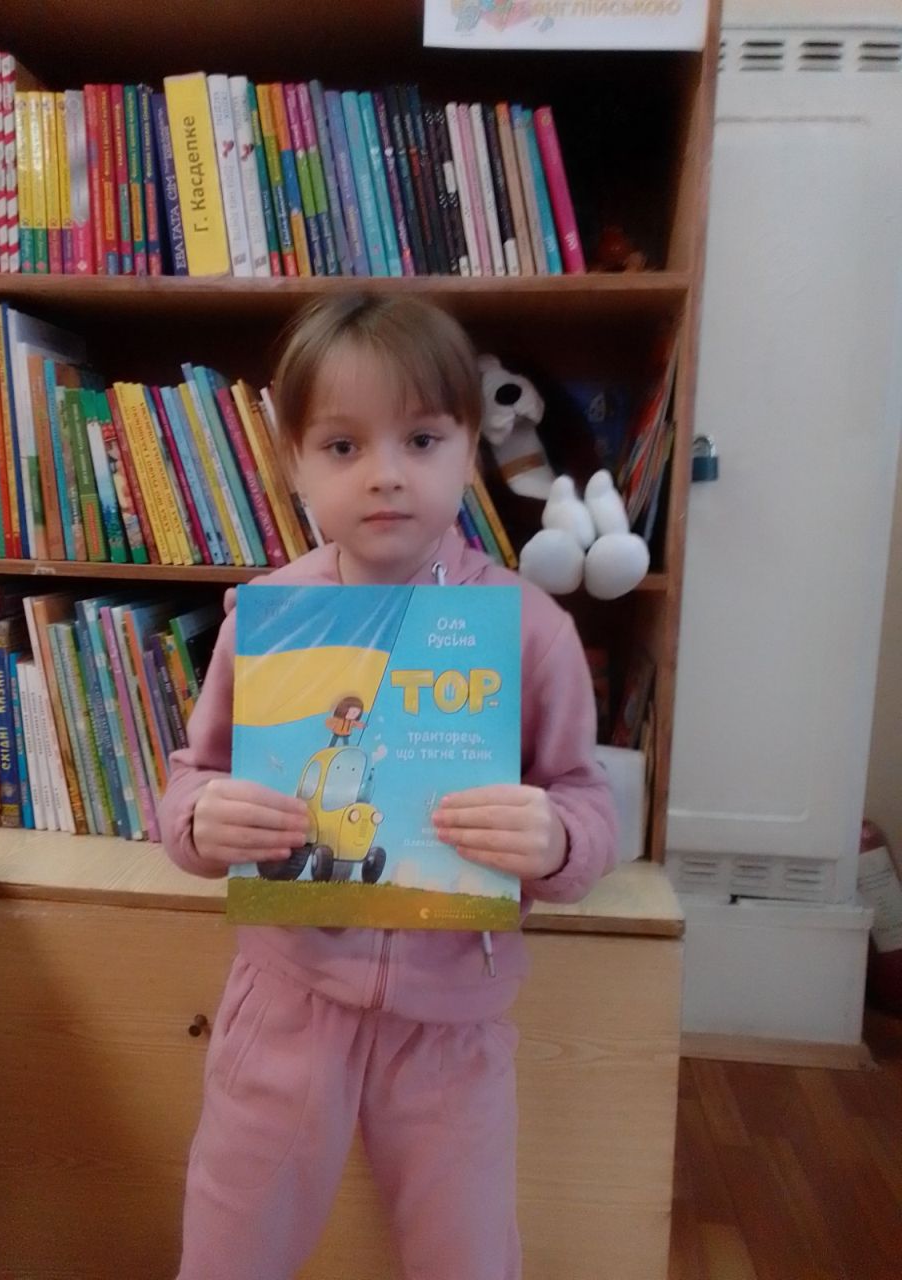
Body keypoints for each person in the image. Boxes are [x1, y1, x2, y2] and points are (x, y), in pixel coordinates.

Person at [159, 293, 618, 1280]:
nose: (386, 474)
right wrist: (201, 816)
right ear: (292, 464)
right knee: (231, 1242)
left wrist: (556, 839)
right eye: (342, 445)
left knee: (467, 1254)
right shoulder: (267, 617)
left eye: (421, 439)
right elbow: (193, 776)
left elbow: (587, 799)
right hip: (286, 1002)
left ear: (470, 449)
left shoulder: (530, 628)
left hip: (452, 1021)